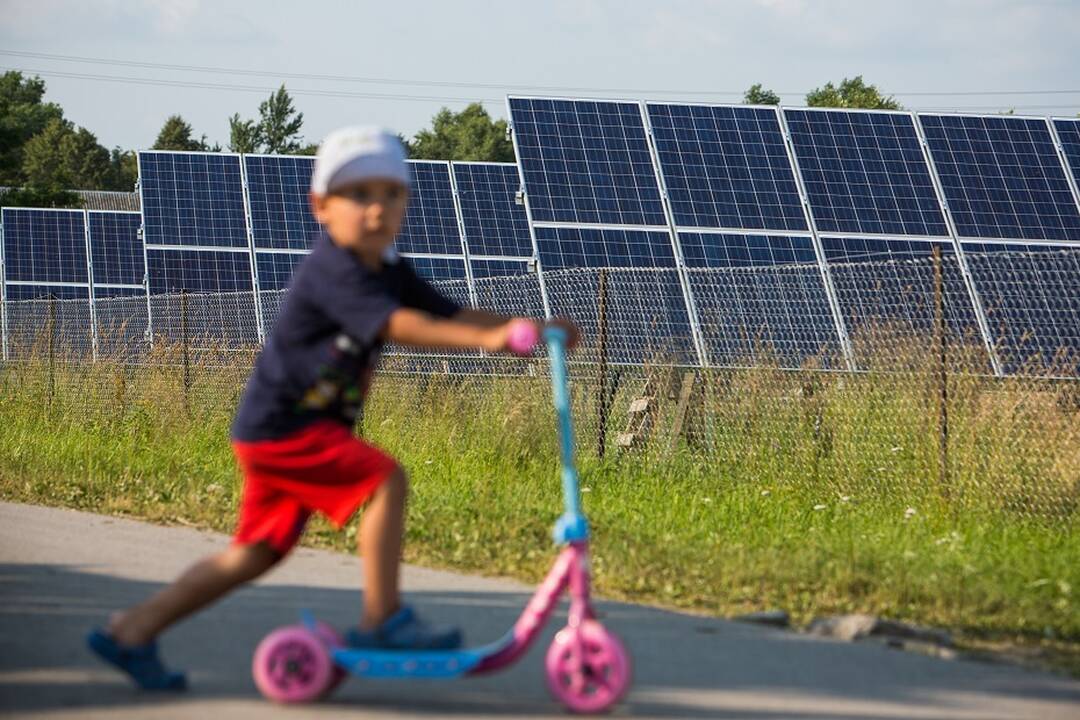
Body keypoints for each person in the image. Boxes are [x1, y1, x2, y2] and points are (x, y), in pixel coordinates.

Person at [88, 126, 578, 690]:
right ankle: (383, 620)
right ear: (322, 206)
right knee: (383, 481)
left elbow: (452, 311)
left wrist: (533, 328)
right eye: (359, 194)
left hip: (286, 430)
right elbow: (399, 325)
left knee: (254, 553)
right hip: (287, 428)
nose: (378, 208)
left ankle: (130, 630)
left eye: (392, 194)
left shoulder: (387, 270)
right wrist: (488, 343)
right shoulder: (335, 270)